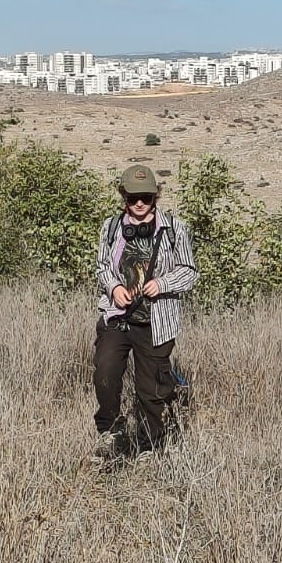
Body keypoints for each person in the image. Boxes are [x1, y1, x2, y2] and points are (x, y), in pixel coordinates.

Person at [92, 163, 197, 455]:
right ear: (123, 196)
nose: (139, 203)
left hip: (156, 321)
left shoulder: (175, 229)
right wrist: (114, 288)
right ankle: (110, 433)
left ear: (156, 197)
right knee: (106, 372)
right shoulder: (111, 227)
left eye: (146, 198)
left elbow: (189, 271)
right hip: (118, 317)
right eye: (132, 197)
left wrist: (162, 284)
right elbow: (102, 266)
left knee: (150, 390)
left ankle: (151, 445)